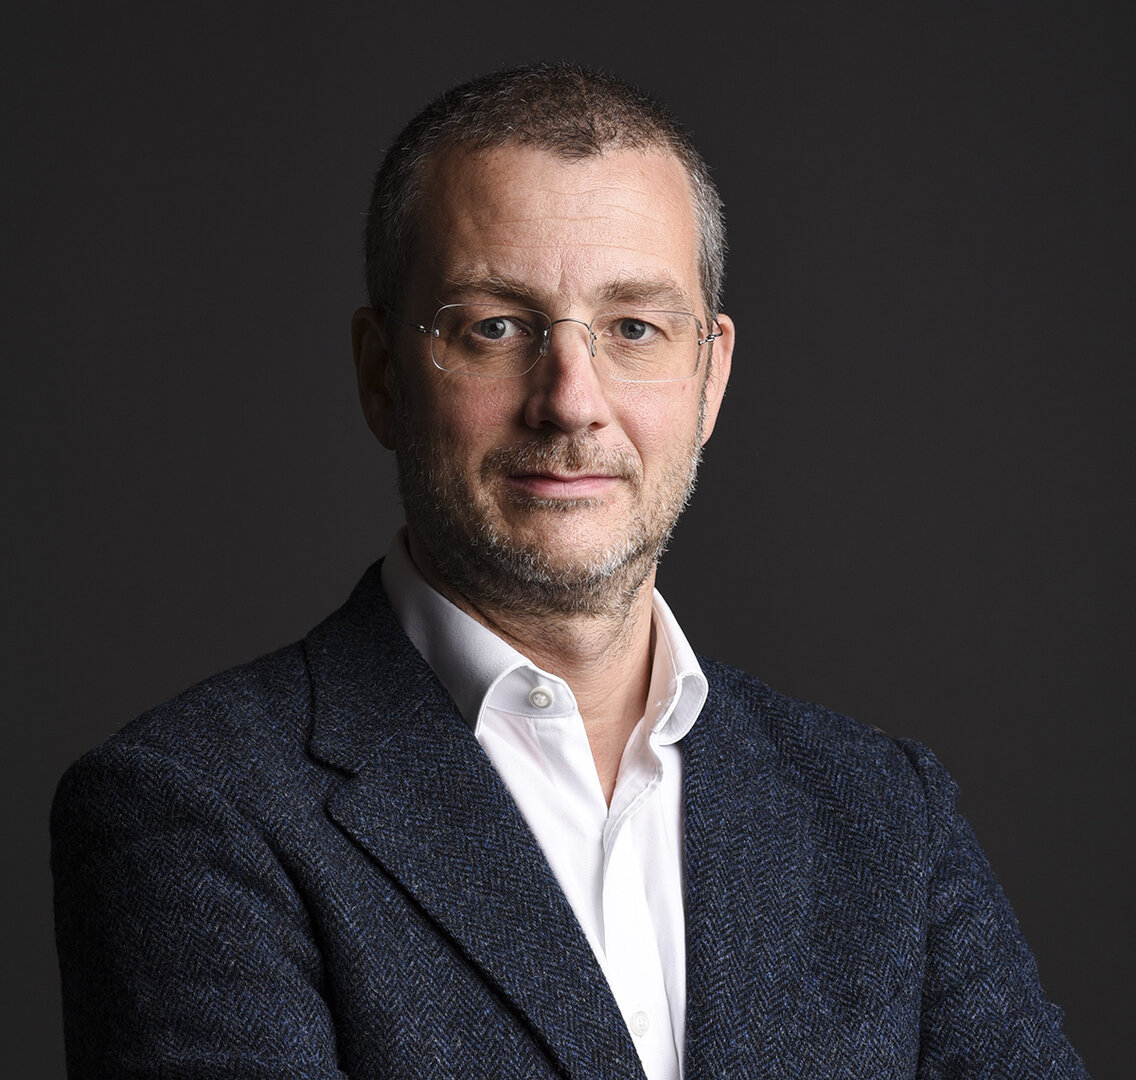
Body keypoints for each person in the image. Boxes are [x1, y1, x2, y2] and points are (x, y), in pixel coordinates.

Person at [51, 62, 1089, 1080]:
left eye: (634, 327)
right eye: (495, 327)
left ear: (709, 377)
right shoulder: (195, 806)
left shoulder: (883, 811)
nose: (570, 401)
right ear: (380, 375)